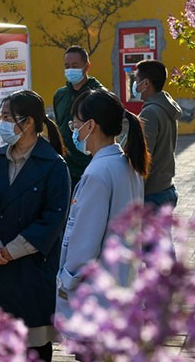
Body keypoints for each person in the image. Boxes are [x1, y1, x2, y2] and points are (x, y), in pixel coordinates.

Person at [0, 90, 71, 362]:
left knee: (35, 338)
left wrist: (12, 250)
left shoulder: (54, 165)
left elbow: (53, 219)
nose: (2, 123)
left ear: (28, 123)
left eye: (6, 118)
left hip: (31, 266)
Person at [55, 89, 150, 326]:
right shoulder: (126, 163)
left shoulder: (97, 173)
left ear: (91, 126)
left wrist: (67, 282)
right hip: (123, 284)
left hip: (98, 295)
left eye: (75, 123)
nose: (73, 129)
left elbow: (84, 243)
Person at [53, 45, 106, 191]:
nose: (70, 69)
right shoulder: (60, 95)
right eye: (67, 66)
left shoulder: (98, 95)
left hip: (90, 167)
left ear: (87, 66)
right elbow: (60, 126)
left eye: (75, 65)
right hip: (65, 168)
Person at [133, 59, 181, 210]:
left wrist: (135, 196)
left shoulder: (149, 113)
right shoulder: (165, 107)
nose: (135, 84)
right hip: (166, 189)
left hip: (152, 196)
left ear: (146, 83)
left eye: (137, 80)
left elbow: (144, 158)